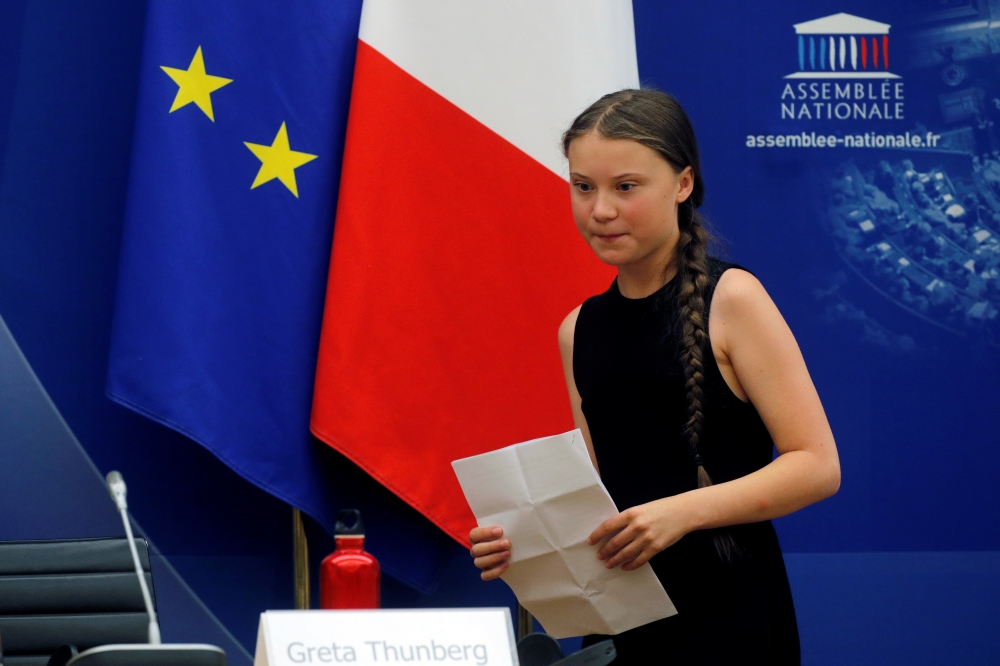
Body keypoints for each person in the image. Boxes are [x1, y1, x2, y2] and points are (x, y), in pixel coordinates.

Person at [468, 89, 841, 664]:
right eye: (583, 186)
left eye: (626, 187)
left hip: (728, 616)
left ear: (683, 184)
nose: (600, 210)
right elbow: (595, 500)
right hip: (620, 621)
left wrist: (681, 511)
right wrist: (526, 544)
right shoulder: (578, 329)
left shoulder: (733, 298)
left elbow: (816, 466)